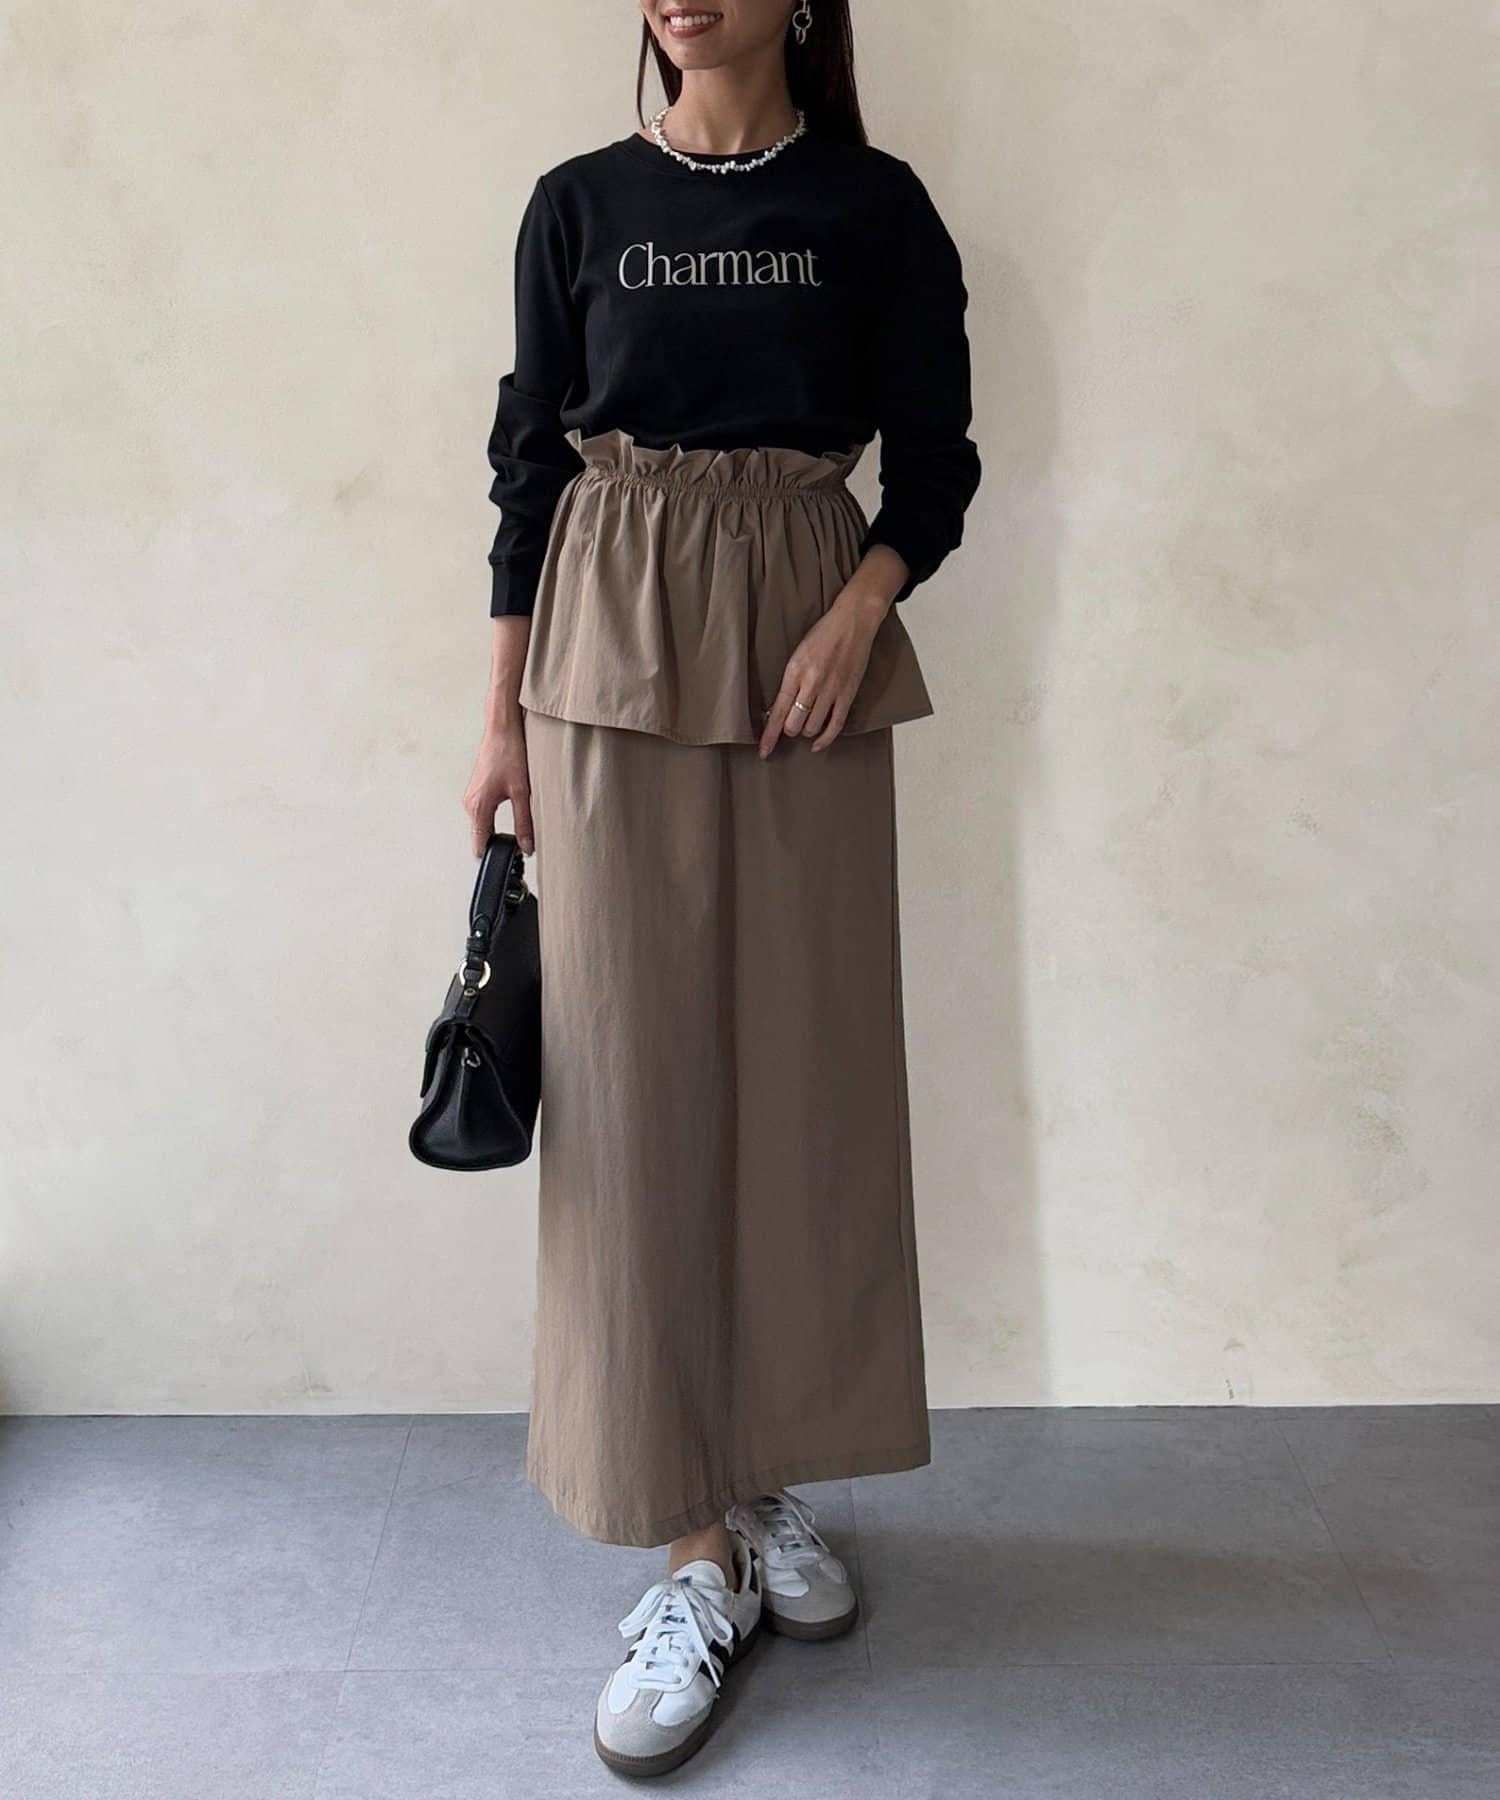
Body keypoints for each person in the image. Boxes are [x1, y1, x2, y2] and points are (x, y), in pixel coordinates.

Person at [465, 0, 980, 1775]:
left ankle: (758, 1482)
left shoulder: (872, 205)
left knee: (804, 1083)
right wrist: (498, 719)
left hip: (804, 651)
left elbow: (939, 457)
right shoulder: (577, 204)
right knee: (635, 1089)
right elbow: (528, 461)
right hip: (605, 644)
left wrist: (858, 611)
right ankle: (692, 1546)